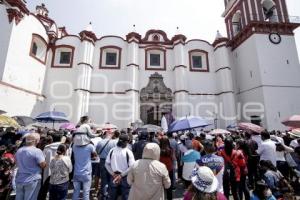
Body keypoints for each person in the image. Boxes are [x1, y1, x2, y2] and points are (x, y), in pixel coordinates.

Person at [15, 133, 46, 200]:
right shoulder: (37, 151)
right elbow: (43, 165)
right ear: (36, 141)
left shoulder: (19, 150)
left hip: (20, 178)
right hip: (32, 179)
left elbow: (17, 163)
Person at [105, 134, 135, 200]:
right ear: (126, 142)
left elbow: (106, 164)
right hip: (124, 177)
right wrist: (121, 176)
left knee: (112, 197)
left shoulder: (112, 150)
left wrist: (113, 174)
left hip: (114, 177)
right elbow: (132, 166)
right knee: (125, 196)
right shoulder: (128, 152)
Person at [96, 131, 118, 200]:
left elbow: (97, 151)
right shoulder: (114, 142)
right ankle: (110, 195)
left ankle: (104, 195)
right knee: (111, 179)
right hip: (111, 162)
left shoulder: (100, 142)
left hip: (102, 161)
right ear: (110, 135)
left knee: (104, 179)